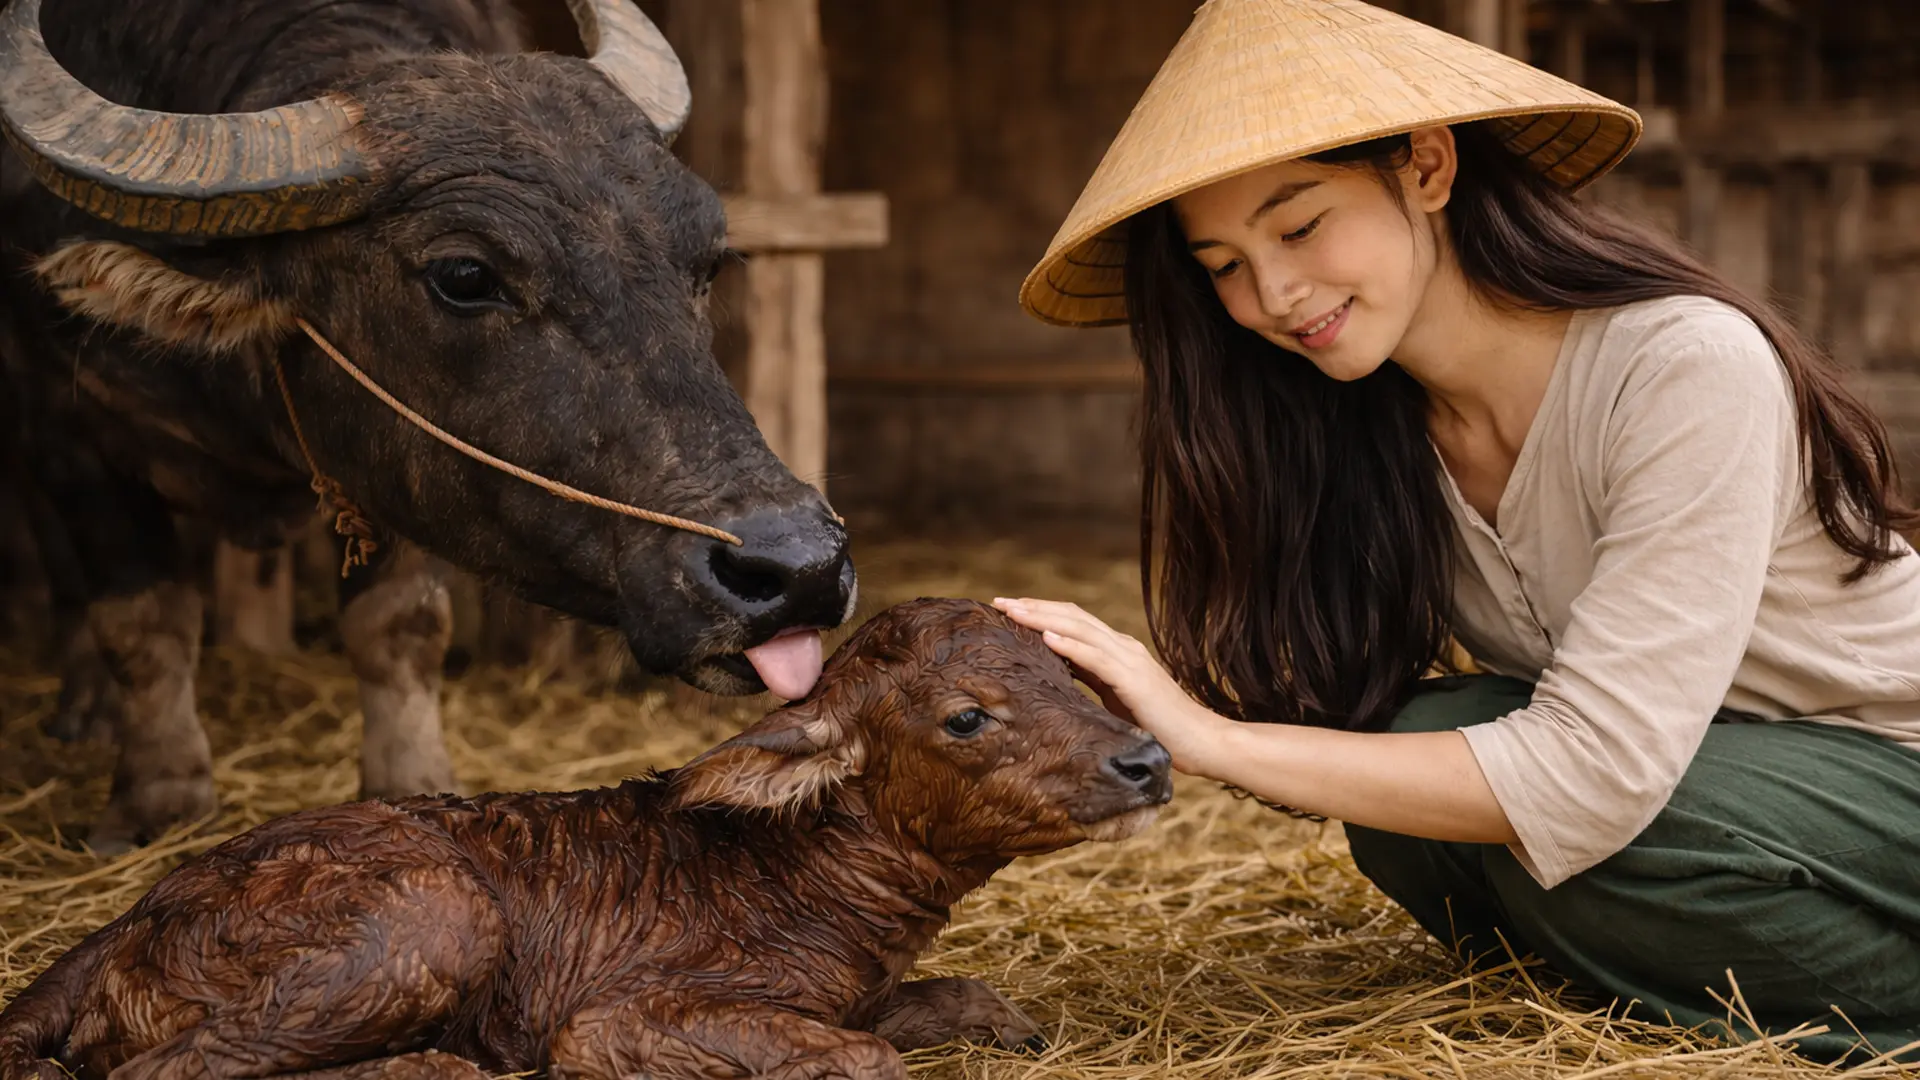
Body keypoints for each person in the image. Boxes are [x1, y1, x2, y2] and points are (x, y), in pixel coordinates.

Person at [991, 0, 1920, 1062]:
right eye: (1224, 265)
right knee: (1411, 782)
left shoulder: (1682, 365)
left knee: (1595, 854)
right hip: (1721, 770)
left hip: (1888, 759)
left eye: (1299, 226)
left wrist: (1212, 740)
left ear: (1428, 168)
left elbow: (1599, 778)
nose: (1275, 294)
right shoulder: (1365, 426)